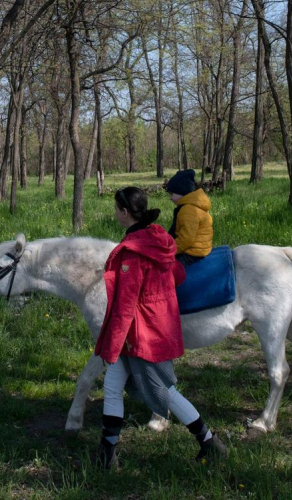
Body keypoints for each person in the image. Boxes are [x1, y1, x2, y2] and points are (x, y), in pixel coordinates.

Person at [93, 187, 227, 469]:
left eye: (116, 208)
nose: (115, 213)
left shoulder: (131, 252)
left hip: (142, 334)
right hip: (154, 327)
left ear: (125, 212)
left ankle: (208, 441)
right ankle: (107, 454)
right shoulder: (160, 240)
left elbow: (124, 306)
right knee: (113, 385)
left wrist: (111, 346)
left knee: (166, 392)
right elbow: (178, 274)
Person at [165, 169, 213, 266]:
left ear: (182, 192)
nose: (170, 198)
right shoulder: (191, 206)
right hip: (199, 247)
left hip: (192, 252)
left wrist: (169, 251)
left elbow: (186, 238)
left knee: (168, 270)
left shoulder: (189, 210)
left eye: (172, 194)